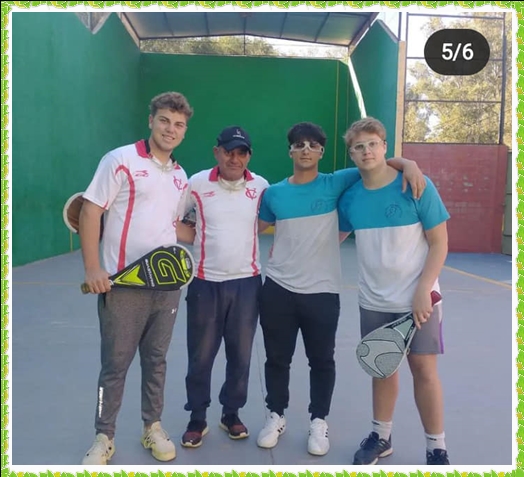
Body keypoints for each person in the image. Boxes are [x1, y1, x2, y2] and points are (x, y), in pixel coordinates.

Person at [256, 121, 426, 456]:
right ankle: (275, 415)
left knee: (321, 360)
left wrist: (409, 163)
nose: (306, 150)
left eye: (313, 144)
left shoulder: (337, 182)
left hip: (322, 292)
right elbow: (251, 229)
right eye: (299, 144)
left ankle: (318, 421)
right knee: (277, 358)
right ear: (290, 151)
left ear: (322, 151)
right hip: (278, 289)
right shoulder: (273, 194)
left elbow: (376, 162)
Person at [79, 91, 196, 464]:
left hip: (167, 288)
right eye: (164, 121)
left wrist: (222, 226)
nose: (170, 129)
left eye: (178, 124)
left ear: (185, 130)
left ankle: (152, 427)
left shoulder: (180, 176)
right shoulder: (120, 160)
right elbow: (91, 210)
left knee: (156, 360)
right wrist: (93, 268)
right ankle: (104, 435)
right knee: (115, 365)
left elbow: (178, 228)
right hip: (122, 286)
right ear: (151, 121)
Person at [337, 117, 450, 465]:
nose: (367, 151)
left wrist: (423, 290)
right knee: (382, 369)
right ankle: (381, 438)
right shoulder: (351, 198)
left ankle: (436, 448)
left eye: (373, 144)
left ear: (385, 147)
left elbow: (439, 243)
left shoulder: (415, 184)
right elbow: (331, 240)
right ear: (351, 155)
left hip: (419, 300)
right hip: (373, 301)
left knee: (424, 371)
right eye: (359, 147)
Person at [180, 126, 269, 448]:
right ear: (217, 152)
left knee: (240, 356)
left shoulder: (261, 186)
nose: (235, 158)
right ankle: (197, 417)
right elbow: (173, 219)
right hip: (205, 283)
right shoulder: (196, 183)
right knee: (200, 356)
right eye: (229, 151)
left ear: (249, 156)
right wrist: (198, 237)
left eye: (241, 152)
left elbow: (262, 223)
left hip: (247, 284)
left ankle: (231, 413)